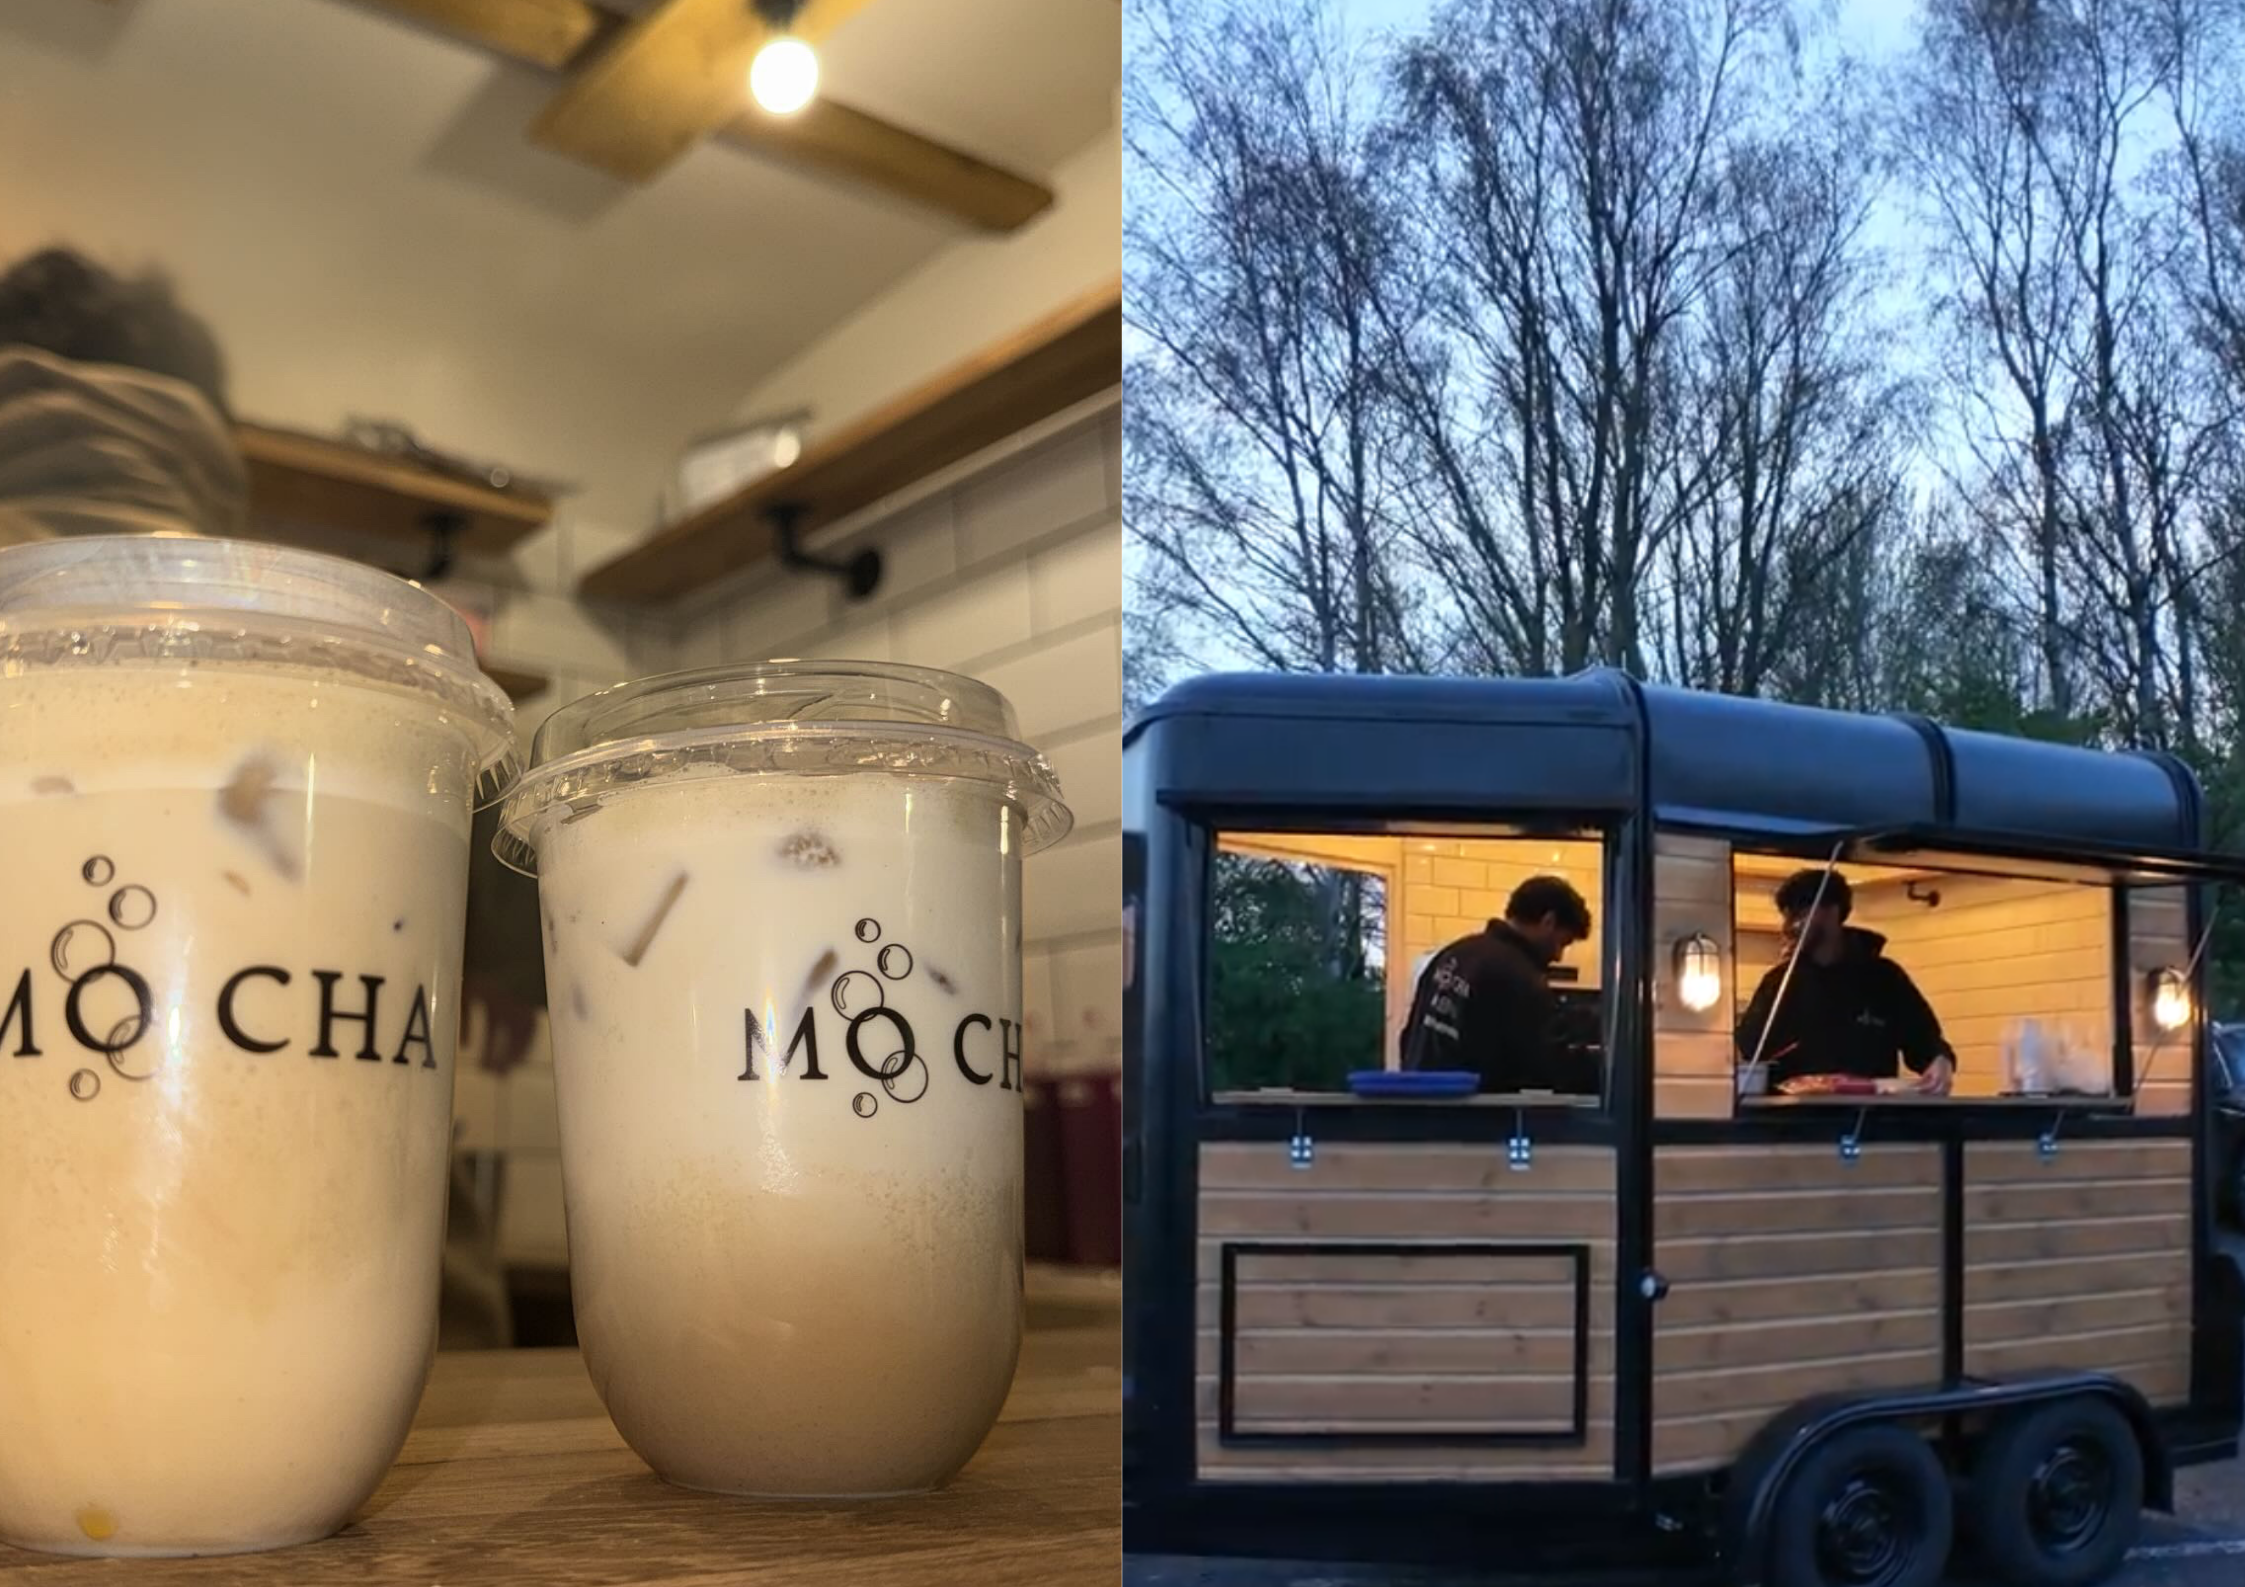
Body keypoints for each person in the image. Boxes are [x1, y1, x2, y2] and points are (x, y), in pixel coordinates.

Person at [0, 244, 528, 1343]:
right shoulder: (329, 636)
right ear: (208, 440)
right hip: (361, 1335)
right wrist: (510, 967)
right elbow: (516, 968)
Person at [1736, 867, 1956, 1094]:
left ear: (1832, 911)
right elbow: (1749, 1049)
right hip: (1795, 1120)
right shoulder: (1778, 982)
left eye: (1798, 915)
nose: (1788, 927)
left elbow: (1923, 1040)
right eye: (1786, 917)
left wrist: (1940, 1061)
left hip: (1867, 1117)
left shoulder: (1885, 978)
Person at [1399, 875, 1594, 1093]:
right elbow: (1551, 1064)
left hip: (1417, 1108)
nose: (1558, 956)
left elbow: (1409, 1037)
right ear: (1548, 921)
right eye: (1562, 942)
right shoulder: (1520, 977)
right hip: (1472, 1119)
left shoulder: (1452, 954)